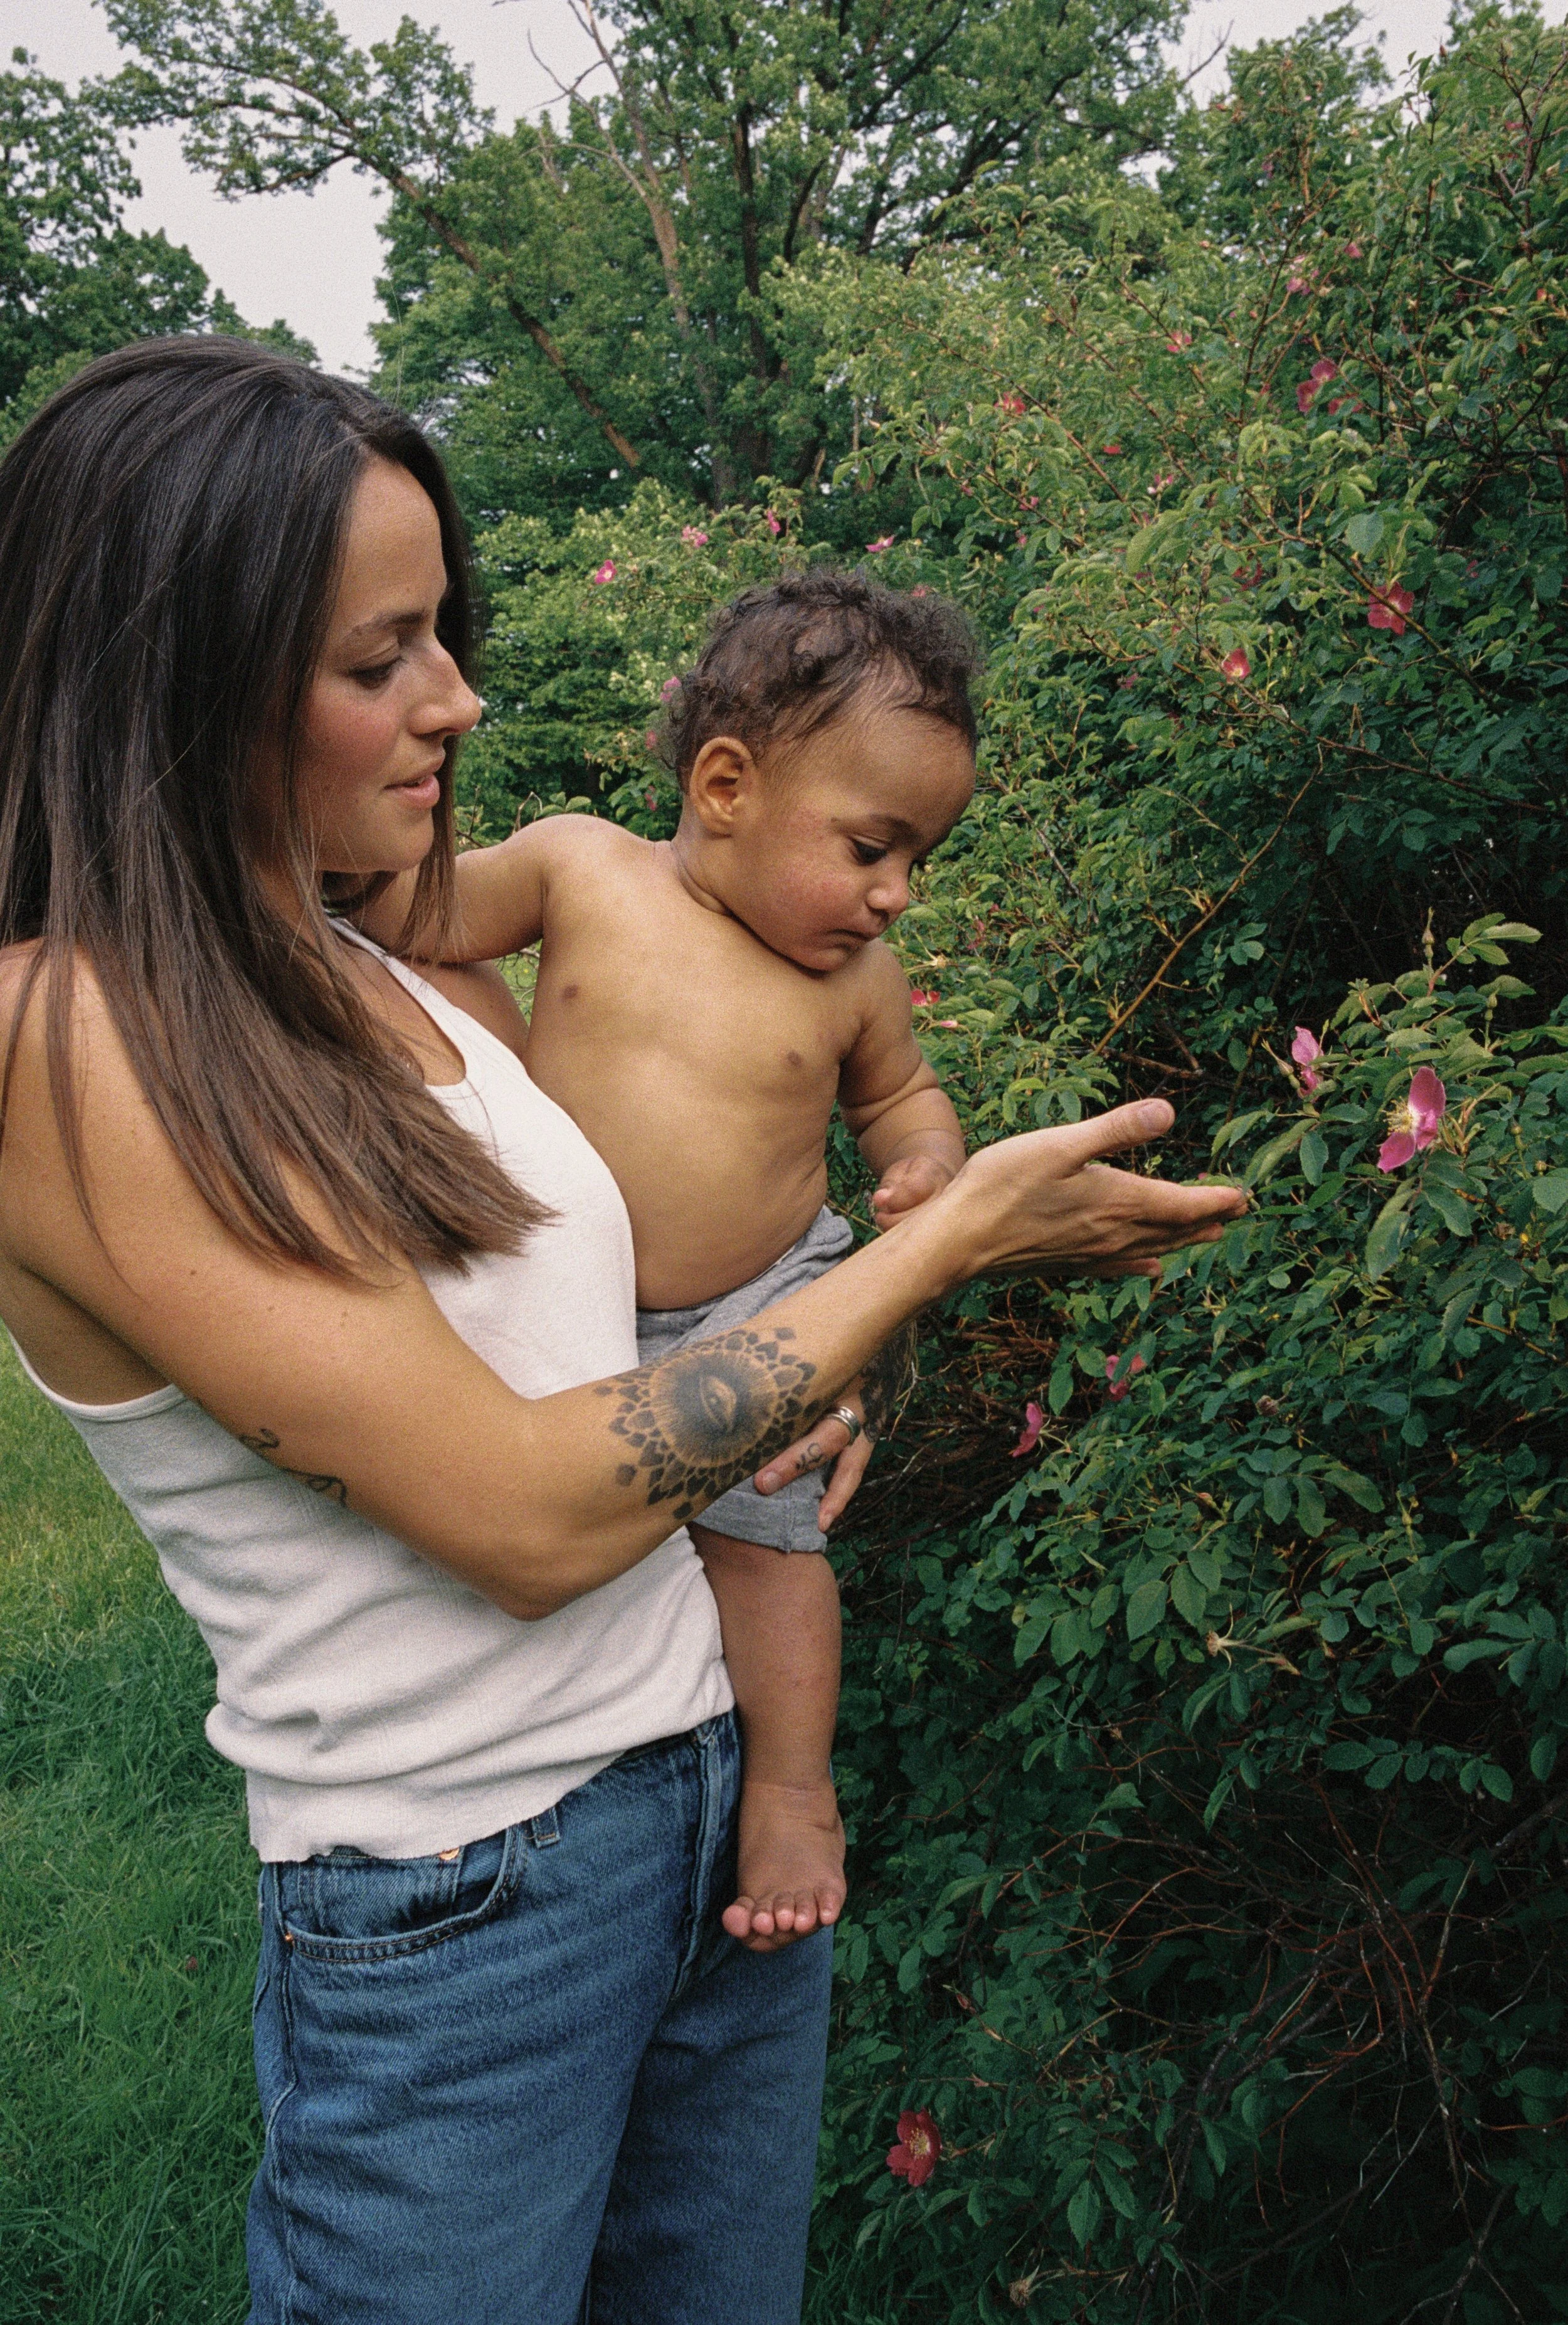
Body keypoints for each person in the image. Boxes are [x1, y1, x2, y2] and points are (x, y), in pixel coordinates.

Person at [0, 336, 1245, 2325]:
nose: (459, 698)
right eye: (376, 656)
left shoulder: (395, 979)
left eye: (446, 636)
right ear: (174, 670)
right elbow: (518, 1508)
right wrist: (943, 1254)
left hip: (702, 1805)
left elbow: (663, 1324)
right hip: (461, 1904)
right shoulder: (67, 1035)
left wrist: (838, 1359)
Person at [360, 570, 980, 1954]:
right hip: (575, 1308)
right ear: (723, 782)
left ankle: (790, 1787)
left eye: (914, 863)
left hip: (766, 1298)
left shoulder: (849, 985)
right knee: (546, 1500)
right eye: (872, 846)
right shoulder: (578, 867)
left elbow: (902, 1099)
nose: (892, 897)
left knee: (768, 1554)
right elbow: (413, 921)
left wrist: (926, 1163)